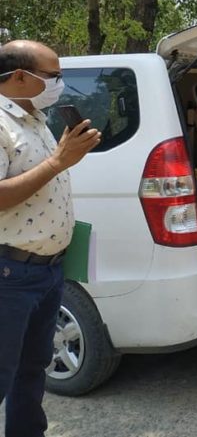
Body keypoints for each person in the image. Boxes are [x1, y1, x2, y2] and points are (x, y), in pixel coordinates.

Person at [0, 40, 101, 436]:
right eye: (53, 75)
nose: (60, 82)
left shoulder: (35, 119)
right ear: (21, 77)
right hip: (9, 274)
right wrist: (59, 161)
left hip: (48, 272)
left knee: (32, 369)